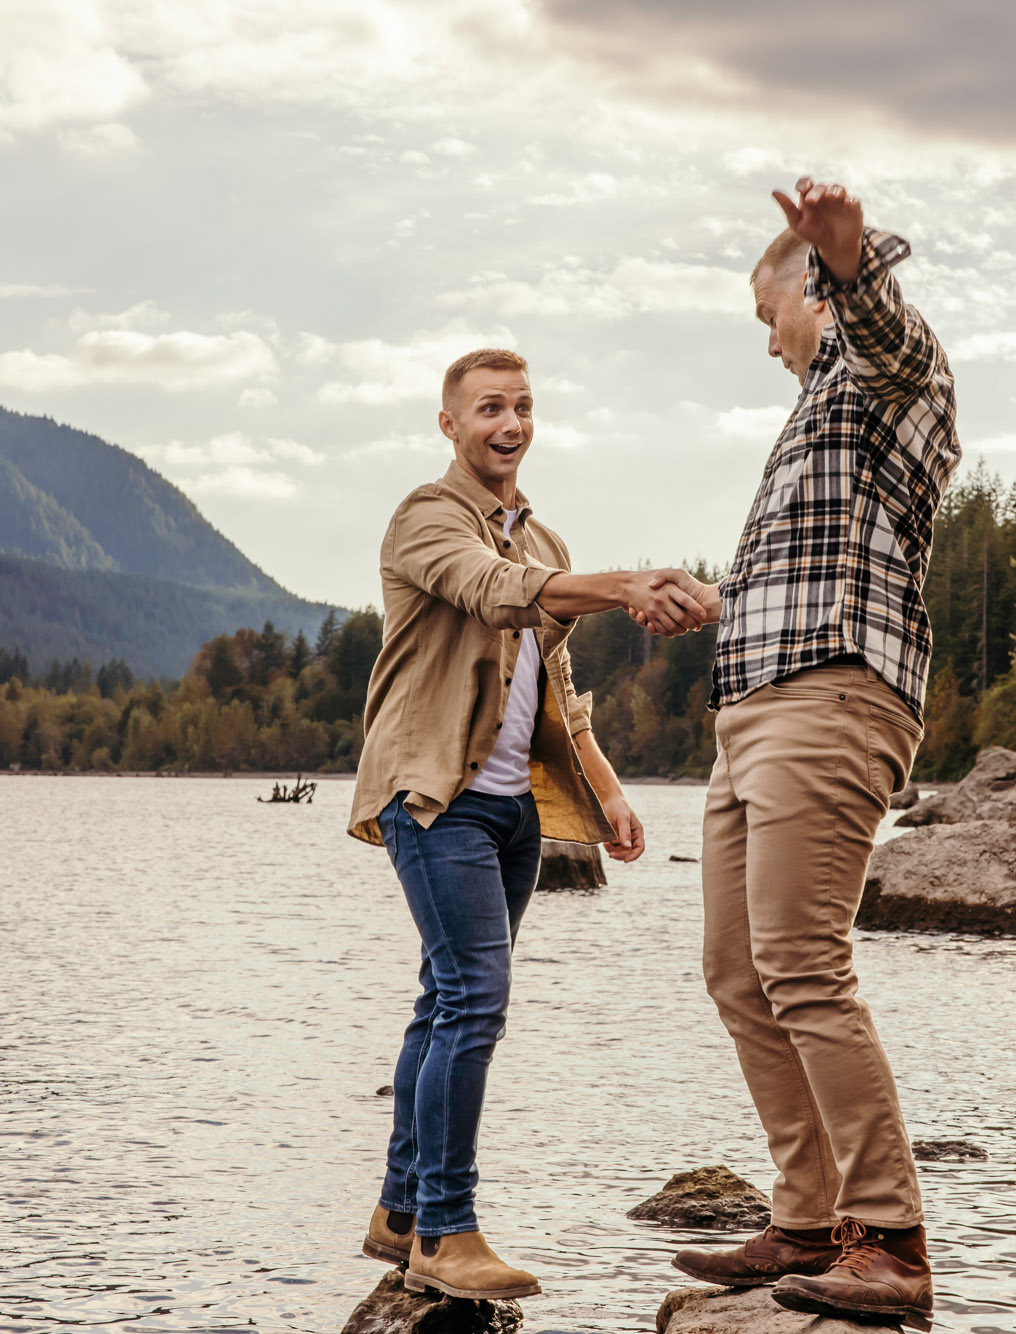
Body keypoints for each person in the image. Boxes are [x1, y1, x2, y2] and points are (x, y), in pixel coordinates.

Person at [645, 180, 960, 1328]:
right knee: (737, 967)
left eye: (765, 309)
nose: (763, 334)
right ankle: (808, 1213)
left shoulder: (891, 369)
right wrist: (716, 602)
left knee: (801, 958)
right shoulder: (813, 411)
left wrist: (845, 261)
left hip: (829, 700)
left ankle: (891, 1238)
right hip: (757, 706)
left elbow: (885, 328)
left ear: (810, 295)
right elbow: (819, 569)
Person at [349, 347, 706, 1302]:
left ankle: (397, 1213)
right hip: (434, 795)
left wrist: (611, 796)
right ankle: (446, 1232)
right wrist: (624, 583)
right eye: (488, 409)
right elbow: (490, 590)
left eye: (522, 407)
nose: (508, 424)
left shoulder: (544, 542)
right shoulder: (426, 518)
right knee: (474, 998)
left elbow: (561, 692)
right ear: (450, 425)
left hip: (512, 812)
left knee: (446, 998)